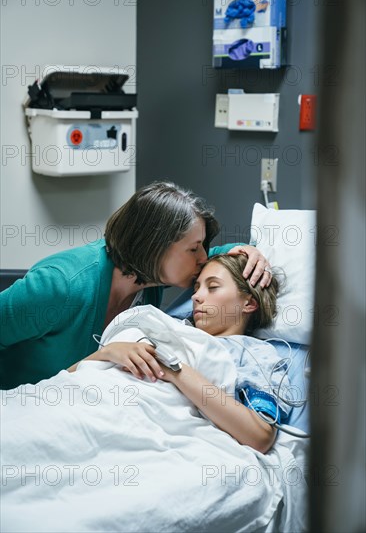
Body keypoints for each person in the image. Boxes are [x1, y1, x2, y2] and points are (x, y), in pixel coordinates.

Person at [0, 181, 272, 389]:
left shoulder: (148, 279)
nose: (203, 258)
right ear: (155, 248)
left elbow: (215, 260)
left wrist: (245, 251)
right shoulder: (60, 286)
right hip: (20, 406)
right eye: (194, 249)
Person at [69, 254, 287, 454]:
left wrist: (172, 368)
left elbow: (260, 436)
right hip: (83, 402)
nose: (196, 297)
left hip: (133, 423)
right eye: (196, 288)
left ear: (248, 303)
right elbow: (64, 378)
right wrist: (108, 352)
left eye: (212, 287)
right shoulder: (168, 327)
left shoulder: (254, 353)